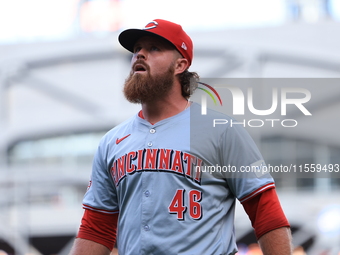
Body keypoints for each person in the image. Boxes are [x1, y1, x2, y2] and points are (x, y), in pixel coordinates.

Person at [69, 19, 292, 255]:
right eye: (136, 50)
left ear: (180, 65)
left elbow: (266, 213)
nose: (139, 55)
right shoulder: (112, 141)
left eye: (154, 48)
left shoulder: (221, 130)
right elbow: (96, 228)